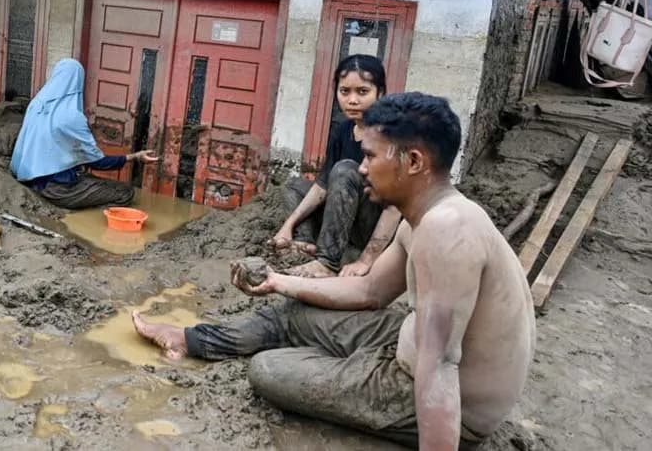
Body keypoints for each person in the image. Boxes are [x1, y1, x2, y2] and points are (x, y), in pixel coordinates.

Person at [133, 93, 536, 449]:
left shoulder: (447, 230)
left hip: (450, 402)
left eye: (372, 156)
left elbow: (442, 365)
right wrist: (279, 281)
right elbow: (370, 291)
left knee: (269, 369)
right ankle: (189, 339)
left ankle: (324, 363)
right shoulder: (424, 218)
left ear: (413, 161)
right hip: (408, 343)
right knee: (291, 310)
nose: (362, 168)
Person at [271, 54, 402, 278]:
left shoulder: (391, 133)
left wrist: (367, 260)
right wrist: (288, 226)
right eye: (345, 92)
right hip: (342, 216)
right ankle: (305, 243)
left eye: (362, 92)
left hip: (373, 223)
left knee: (344, 170)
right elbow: (322, 186)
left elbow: (395, 206)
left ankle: (328, 263)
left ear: (380, 93)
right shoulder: (343, 130)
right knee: (295, 186)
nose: (352, 100)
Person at [10, 59, 158, 209]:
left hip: (29, 178)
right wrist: (135, 157)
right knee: (125, 193)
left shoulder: (36, 104)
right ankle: (83, 217)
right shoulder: (71, 117)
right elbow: (97, 162)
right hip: (56, 190)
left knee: (86, 176)